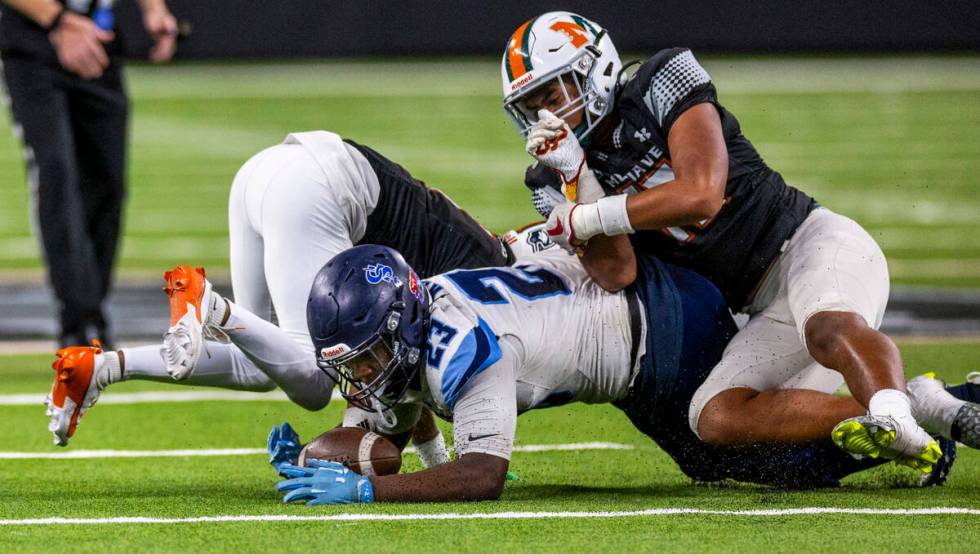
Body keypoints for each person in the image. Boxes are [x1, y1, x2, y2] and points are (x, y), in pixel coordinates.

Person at [498, 11, 971, 471]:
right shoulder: (549, 178)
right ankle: (914, 408)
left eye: (553, 92)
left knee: (825, 328)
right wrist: (577, 175)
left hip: (809, 245)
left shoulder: (662, 78)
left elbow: (701, 193)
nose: (545, 113)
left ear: (594, 69)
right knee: (716, 417)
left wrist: (588, 216)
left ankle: (892, 406)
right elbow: (618, 271)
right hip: (759, 307)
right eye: (530, 105)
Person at [267, 241, 977, 505]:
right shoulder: (423, 320)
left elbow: (481, 476)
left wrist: (370, 495)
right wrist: (336, 448)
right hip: (630, 321)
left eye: (365, 355)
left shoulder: (463, 344)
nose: (360, 374)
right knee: (726, 448)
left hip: (658, 329)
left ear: (403, 324)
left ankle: (920, 409)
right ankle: (888, 413)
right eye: (350, 363)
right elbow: (400, 411)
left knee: (735, 449)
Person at [44, 131, 516, 474]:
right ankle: (211, 305)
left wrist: (437, 459)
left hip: (266, 173)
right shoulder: (477, 286)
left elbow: (403, 377)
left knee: (261, 363)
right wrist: (444, 462)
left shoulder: (468, 265)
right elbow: (407, 371)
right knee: (314, 379)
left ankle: (103, 366)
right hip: (312, 186)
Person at [0, 0, 178, 347]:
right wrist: (58, 22)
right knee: (56, 175)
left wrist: (154, 9)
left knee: (108, 184)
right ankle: (79, 323)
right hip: (32, 43)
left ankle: (91, 311)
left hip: (98, 38)